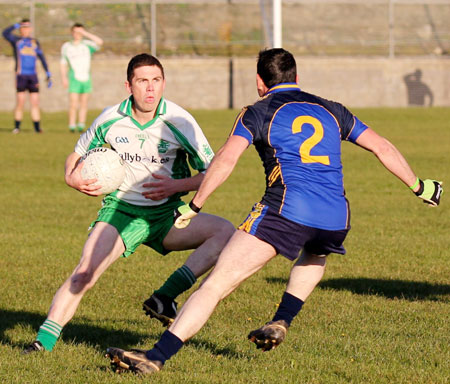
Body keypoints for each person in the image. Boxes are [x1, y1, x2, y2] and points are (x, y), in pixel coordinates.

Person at [105, 48, 444, 375]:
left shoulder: (258, 111)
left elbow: (225, 160)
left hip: (285, 210)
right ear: (296, 77)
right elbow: (382, 146)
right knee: (314, 252)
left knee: (216, 285)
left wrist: (196, 204)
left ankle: (157, 356)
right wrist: (419, 186)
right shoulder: (332, 108)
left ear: (259, 81)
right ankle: (282, 319)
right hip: (336, 217)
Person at [23, 53, 235, 354]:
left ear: (164, 83)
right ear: (129, 85)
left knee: (225, 233)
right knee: (85, 272)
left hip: (167, 215)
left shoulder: (179, 120)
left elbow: (213, 171)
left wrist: (178, 185)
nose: (150, 89)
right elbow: (78, 152)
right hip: (121, 211)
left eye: (156, 81)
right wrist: (72, 178)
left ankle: (164, 296)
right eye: (143, 81)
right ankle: (42, 343)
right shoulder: (111, 119)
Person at [2, 18, 52, 134]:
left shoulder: (34, 42)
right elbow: (4, 33)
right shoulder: (16, 41)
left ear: (31, 29)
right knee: (20, 101)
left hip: (33, 76)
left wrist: (48, 73)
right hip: (21, 75)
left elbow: (42, 57)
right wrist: (16, 25)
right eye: (23, 27)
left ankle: (37, 128)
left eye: (27, 27)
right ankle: (17, 127)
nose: (25, 30)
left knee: (35, 102)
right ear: (20, 29)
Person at [60, 23, 103, 133]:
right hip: (74, 78)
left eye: (80, 32)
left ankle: (81, 125)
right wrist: (64, 78)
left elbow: (100, 42)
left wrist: (85, 33)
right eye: (75, 32)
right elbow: (63, 63)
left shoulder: (87, 45)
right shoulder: (67, 46)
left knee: (84, 103)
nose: (77, 34)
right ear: (72, 32)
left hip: (86, 77)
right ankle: (72, 125)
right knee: (73, 103)